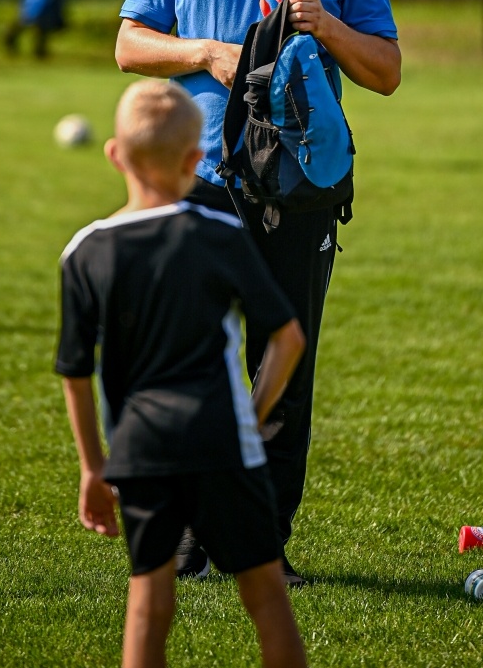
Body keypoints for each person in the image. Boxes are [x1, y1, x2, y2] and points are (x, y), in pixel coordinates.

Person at [116, 0, 400, 585]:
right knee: (185, 361)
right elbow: (131, 44)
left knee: (284, 368)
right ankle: (185, 540)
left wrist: (328, 26)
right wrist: (205, 53)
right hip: (198, 178)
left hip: (298, 189)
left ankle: (261, 547)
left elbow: (386, 72)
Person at [56, 79, 308, 668]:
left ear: (114, 153)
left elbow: (73, 370)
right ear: (197, 162)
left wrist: (93, 469)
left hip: (141, 450)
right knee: (267, 597)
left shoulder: (85, 250)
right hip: (223, 439)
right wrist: (251, 416)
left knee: (149, 599)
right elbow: (288, 337)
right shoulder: (221, 234)